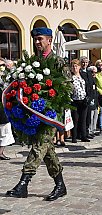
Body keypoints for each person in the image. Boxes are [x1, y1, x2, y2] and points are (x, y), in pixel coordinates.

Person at [6, 27, 67, 201]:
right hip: (34, 112)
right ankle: (60, 185)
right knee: (47, 151)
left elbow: (66, 88)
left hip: (51, 114)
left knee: (40, 145)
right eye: (35, 39)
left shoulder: (57, 61)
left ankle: (23, 183)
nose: (37, 42)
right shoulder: (32, 62)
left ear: (49, 40)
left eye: (40, 39)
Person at [70, 59, 90, 143]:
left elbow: (88, 86)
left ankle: (83, 135)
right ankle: (74, 137)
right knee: (75, 119)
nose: (75, 68)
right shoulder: (70, 77)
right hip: (75, 100)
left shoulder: (83, 76)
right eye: (73, 66)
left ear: (79, 67)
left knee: (83, 119)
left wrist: (88, 97)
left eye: (76, 66)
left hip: (83, 100)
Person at [0, 58, 15, 160]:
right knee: (4, 130)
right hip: (1, 107)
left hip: (3, 106)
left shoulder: (6, 77)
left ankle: (1, 152)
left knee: (5, 130)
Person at [79, 56, 95, 139]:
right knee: (83, 117)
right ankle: (82, 133)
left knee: (89, 116)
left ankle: (87, 131)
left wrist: (92, 96)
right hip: (82, 97)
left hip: (90, 96)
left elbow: (92, 83)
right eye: (83, 62)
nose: (84, 64)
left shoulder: (89, 72)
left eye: (86, 62)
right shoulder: (79, 72)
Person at [87, 66, 99, 136]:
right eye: (92, 72)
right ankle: (89, 130)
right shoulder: (89, 79)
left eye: (95, 72)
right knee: (90, 116)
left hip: (96, 98)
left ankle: (93, 129)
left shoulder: (95, 79)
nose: (94, 74)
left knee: (95, 114)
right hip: (91, 99)